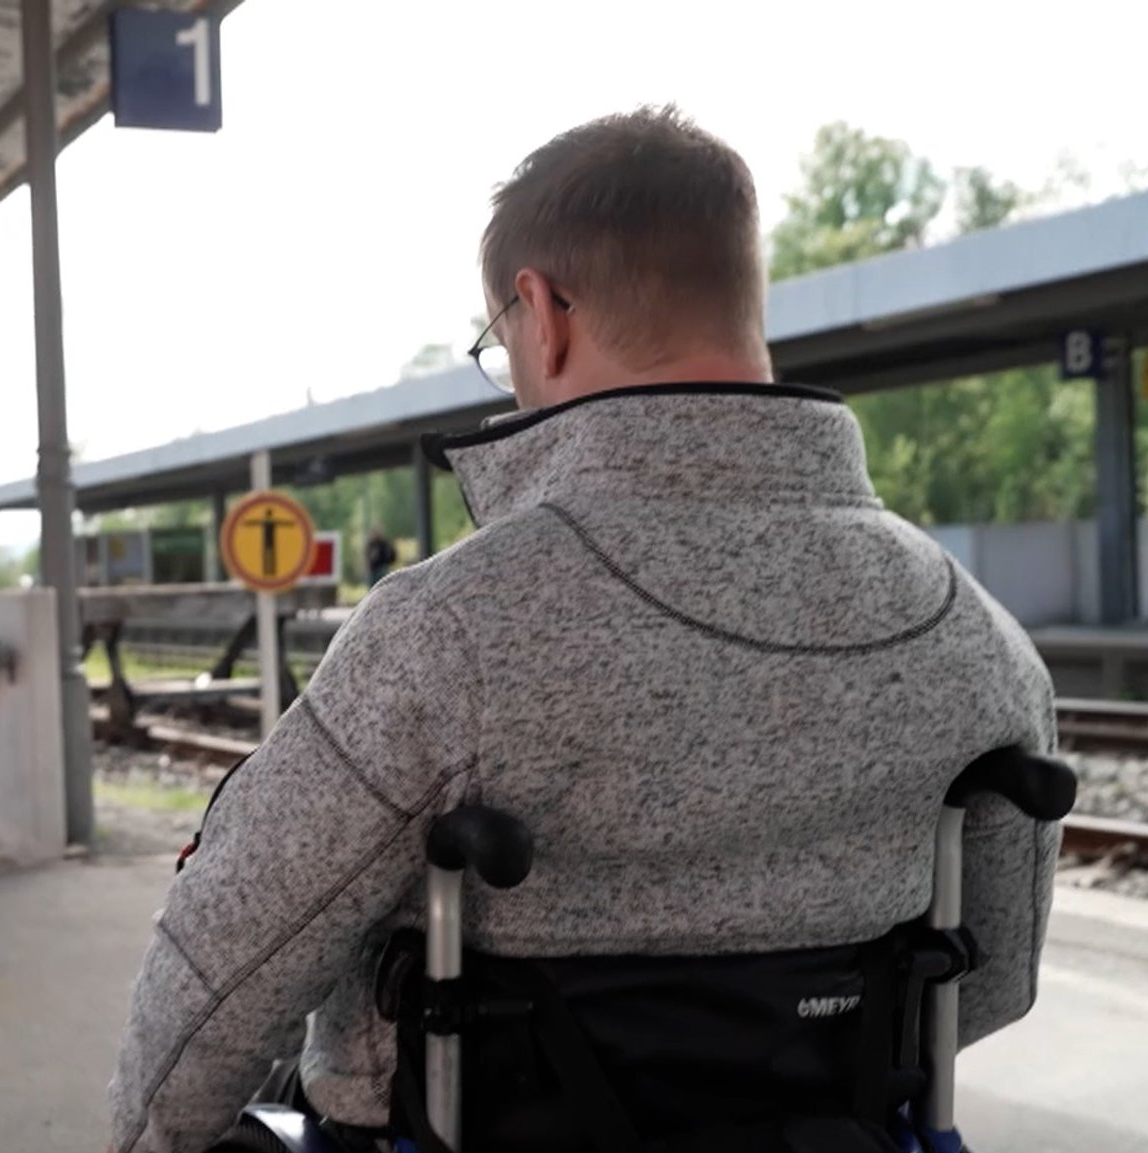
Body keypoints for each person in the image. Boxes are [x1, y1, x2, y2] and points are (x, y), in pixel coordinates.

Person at [105, 105, 1058, 1153]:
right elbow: (989, 981)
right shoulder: (972, 634)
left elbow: (216, 982)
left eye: (497, 341)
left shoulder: (445, 634)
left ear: (542, 308)